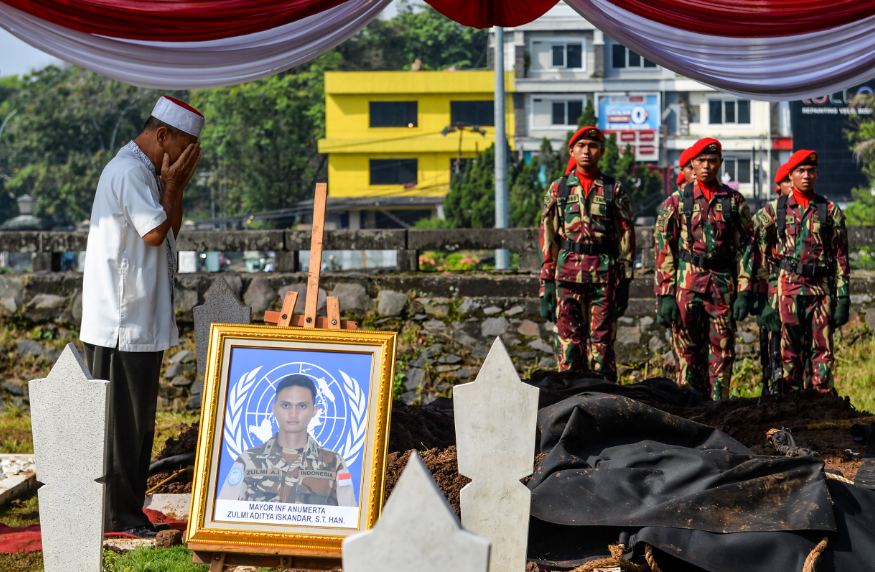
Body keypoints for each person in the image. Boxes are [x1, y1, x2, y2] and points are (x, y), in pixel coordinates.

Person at [80, 96, 203, 538]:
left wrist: (175, 186)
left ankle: (126, 512)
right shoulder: (132, 171)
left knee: (136, 427)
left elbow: (170, 229)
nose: (188, 158)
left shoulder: (147, 172)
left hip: (135, 321)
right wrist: (173, 186)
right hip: (121, 323)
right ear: (162, 135)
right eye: (185, 147)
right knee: (122, 428)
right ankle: (120, 516)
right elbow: (154, 234)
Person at [654, 138, 756, 400]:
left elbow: (746, 248)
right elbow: (664, 250)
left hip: (722, 288)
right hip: (687, 289)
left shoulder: (734, 201)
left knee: (722, 353)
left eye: (712, 161)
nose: (707, 166)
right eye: (701, 161)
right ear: (692, 164)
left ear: (720, 163)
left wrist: (745, 290)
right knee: (687, 353)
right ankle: (690, 413)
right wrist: (664, 294)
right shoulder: (676, 202)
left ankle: (718, 412)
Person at [539, 126, 635, 381]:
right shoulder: (559, 189)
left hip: (604, 276)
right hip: (568, 275)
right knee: (570, 345)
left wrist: (625, 279)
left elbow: (626, 233)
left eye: (593, 146)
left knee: (602, 347)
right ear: (572, 150)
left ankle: (603, 404)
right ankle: (569, 404)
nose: (587, 151)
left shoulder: (613, 189)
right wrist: (546, 283)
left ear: (601, 151)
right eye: (581, 146)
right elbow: (547, 234)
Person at [754, 150, 850, 393]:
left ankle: (820, 410)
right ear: (791, 175)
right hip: (788, 290)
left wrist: (843, 297)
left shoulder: (829, 210)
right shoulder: (775, 210)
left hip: (821, 292)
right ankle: (791, 409)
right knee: (789, 355)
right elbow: (756, 254)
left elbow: (841, 257)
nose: (806, 176)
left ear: (817, 174)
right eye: (800, 171)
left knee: (823, 353)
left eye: (811, 171)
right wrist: (761, 299)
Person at [219, 375, 356, 506]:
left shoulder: (334, 463)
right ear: (274, 409)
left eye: (302, 406)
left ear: (314, 411)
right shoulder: (247, 461)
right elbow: (223, 515)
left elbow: (349, 520)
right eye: (286, 405)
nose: (293, 414)